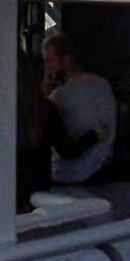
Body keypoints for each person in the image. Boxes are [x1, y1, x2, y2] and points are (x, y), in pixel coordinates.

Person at [36, 31, 120, 190]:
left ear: (67, 60)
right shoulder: (103, 85)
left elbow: (64, 146)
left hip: (67, 177)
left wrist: (45, 95)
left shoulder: (59, 96)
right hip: (102, 171)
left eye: (50, 61)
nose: (47, 68)